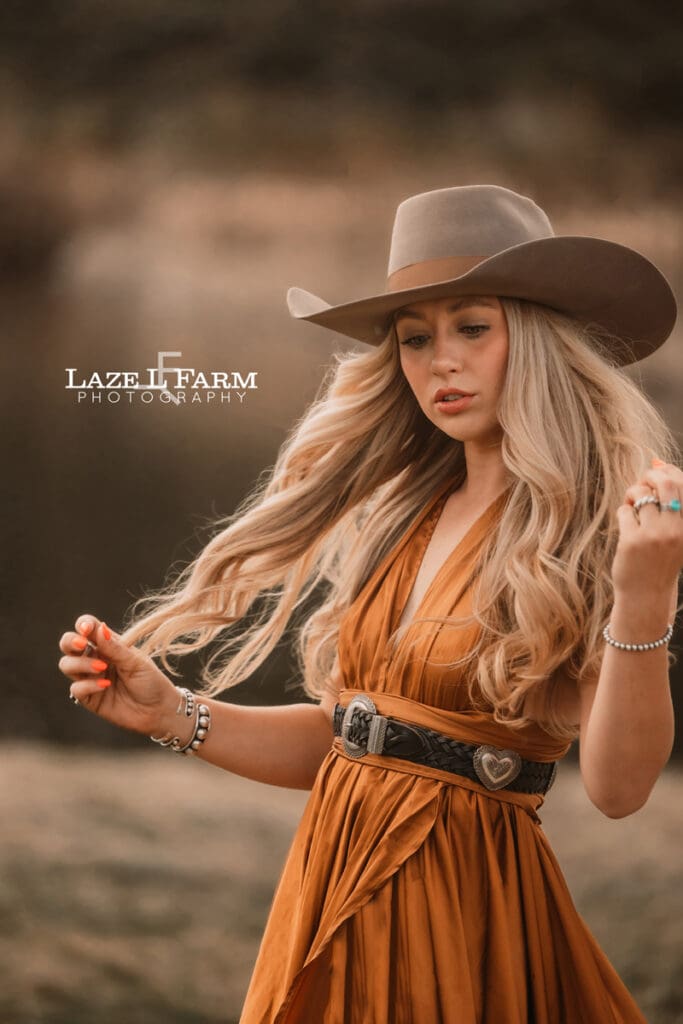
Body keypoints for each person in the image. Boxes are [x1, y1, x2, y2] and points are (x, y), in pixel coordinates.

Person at [58, 184, 682, 1023]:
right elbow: (362, 740)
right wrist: (175, 713)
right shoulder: (406, 516)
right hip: (329, 882)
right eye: (415, 338)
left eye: (471, 327)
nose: (439, 362)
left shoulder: (581, 534)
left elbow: (617, 789)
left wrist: (642, 602)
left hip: (462, 911)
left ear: (532, 337)